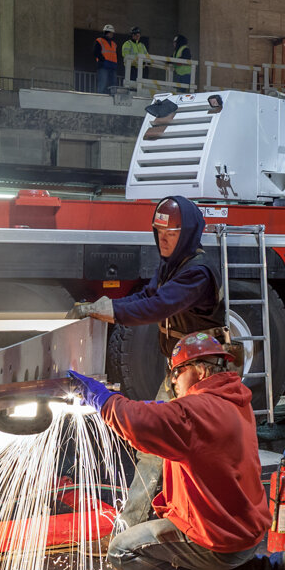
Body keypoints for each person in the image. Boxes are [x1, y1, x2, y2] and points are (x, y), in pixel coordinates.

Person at [70, 333, 285, 570]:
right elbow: (172, 417)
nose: (172, 382)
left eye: (176, 372)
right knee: (205, 556)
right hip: (244, 530)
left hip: (217, 535)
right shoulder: (233, 398)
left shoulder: (195, 412)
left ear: (198, 369)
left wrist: (101, 398)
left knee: (122, 549)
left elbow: (141, 422)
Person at [71, 196, 224, 529]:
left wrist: (112, 312)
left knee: (182, 446)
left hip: (205, 374)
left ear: (188, 233)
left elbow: (159, 306)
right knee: (174, 444)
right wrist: (109, 305)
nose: (162, 239)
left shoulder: (197, 272)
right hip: (184, 370)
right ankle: (177, 514)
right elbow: (148, 296)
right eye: (158, 232)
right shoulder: (172, 265)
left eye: (170, 233)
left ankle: (145, 522)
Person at [93, 24, 120, 94]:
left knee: (113, 84)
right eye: (112, 33)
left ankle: (112, 96)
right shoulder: (99, 41)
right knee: (103, 83)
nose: (112, 34)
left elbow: (115, 54)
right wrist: (103, 59)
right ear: (109, 32)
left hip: (112, 66)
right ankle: (100, 97)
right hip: (103, 66)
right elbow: (96, 52)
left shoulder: (114, 43)